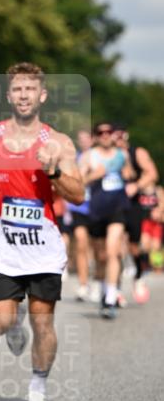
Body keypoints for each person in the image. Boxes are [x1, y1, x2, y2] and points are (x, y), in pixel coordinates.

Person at [0, 62, 84, 401]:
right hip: (2, 247)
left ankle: (38, 389)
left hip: (43, 249)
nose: (23, 95)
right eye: (17, 89)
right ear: (8, 95)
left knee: (43, 321)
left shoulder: (58, 143)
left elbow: (78, 194)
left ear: (42, 96)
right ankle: (13, 321)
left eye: (30, 89)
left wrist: (54, 171)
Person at [79, 122, 134, 319]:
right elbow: (77, 182)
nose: (105, 135)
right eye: (100, 132)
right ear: (95, 136)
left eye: (108, 132)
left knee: (112, 251)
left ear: (113, 135)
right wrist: (95, 174)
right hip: (96, 211)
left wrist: (129, 178)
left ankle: (111, 297)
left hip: (117, 209)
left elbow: (130, 174)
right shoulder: (89, 156)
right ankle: (104, 291)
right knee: (101, 257)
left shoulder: (122, 155)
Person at [114, 125, 159, 304]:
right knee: (115, 247)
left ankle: (138, 276)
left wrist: (136, 185)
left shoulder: (137, 153)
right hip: (114, 205)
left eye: (119, 137)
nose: (116, 140)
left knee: (134, 247)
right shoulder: (106, 154)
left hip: (133, 205)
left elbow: (153, 173)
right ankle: (114, 289)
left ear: (126, 136)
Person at [66, 129, 94, 301]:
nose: (84, 141)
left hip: (98, 206)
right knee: (81, 243)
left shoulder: (100, 156)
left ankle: (99, 281)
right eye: (81, 139)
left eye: (87, 138)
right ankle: (83, 284)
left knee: (100, 249)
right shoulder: (73, 159)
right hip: (79, 208)